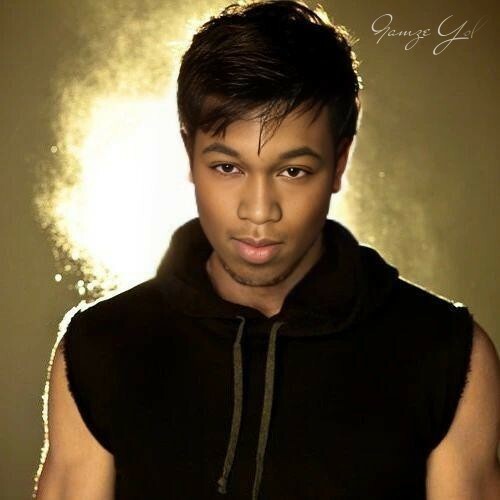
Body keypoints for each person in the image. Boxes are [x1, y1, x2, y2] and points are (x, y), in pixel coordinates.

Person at [34, 1, 500, 499]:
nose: (259, 211)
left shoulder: (446, 355)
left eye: (293, 171)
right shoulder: (99, 348)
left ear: (340, 162)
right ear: (189, 153)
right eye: (227, 168)